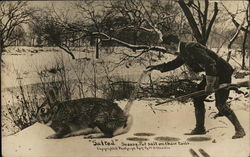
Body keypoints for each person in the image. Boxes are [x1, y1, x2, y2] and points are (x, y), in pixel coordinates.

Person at [146, 34, 245, 139]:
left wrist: (210, 84)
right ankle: (200, 128)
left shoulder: (191, 48)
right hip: (212, 73)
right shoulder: (184, 52)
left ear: (172, 44)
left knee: (220, 104)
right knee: (197, 98)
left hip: (222, 72)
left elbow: (209, 62)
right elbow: (173, 64)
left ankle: (239, 130)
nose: (166, 49)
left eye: (166, 47)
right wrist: (155, 67)